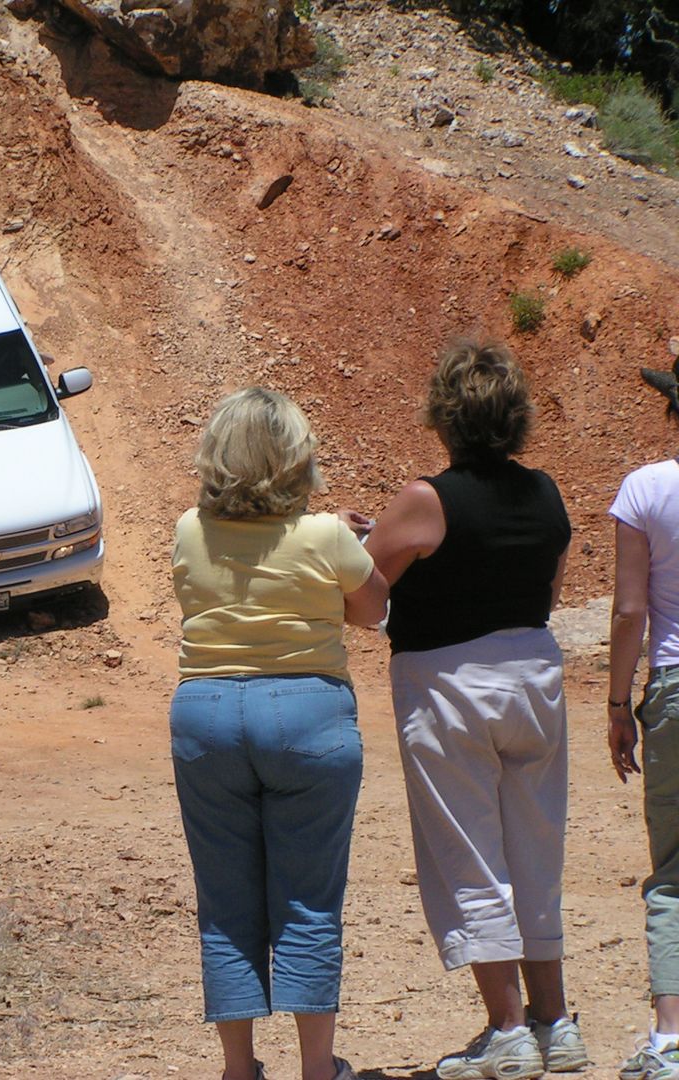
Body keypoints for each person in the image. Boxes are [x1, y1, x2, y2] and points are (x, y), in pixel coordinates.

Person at [363, 340, 585, 1080]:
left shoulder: (427, 498)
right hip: (535, 679)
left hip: (449, 684)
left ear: (446, 415)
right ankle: (556, 1024)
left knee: (469, 853)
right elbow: (547, 593)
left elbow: (363, 599)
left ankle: (508, 1029)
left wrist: (360, 542)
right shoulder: (548, 493)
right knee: (534, 852)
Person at [170, 387, 389, 1080]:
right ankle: (319, 1070)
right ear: (296, 458)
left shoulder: (186, 529)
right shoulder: (326, 535)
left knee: (226, 904)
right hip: (307, 716)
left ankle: (240, 1069)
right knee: (308, 900)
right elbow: (373, 610)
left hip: (205, 714)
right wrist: (349, 543)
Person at [606, 357, 679, 1080]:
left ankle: (671, 1038)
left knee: (674, 873)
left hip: (678, 688)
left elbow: (631, 610)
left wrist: (616, 703)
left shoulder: (647, 488)